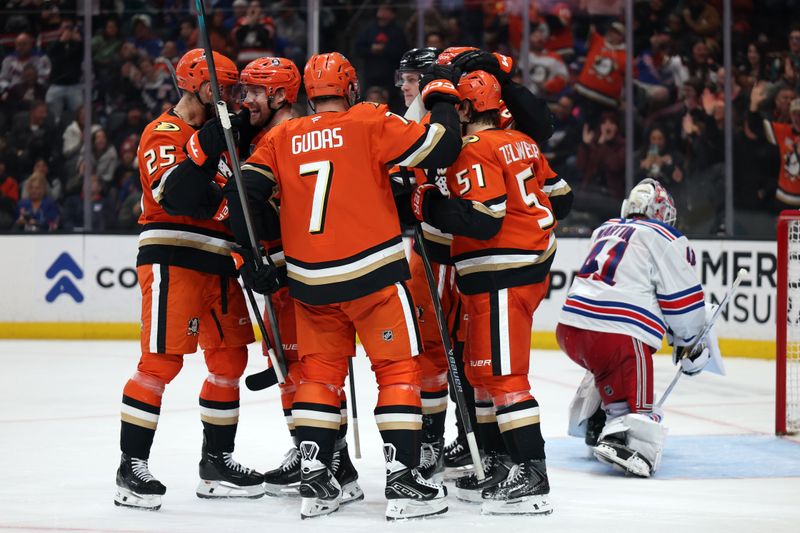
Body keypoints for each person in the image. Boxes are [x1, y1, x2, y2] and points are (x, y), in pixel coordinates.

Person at [226, 51, 462, 520]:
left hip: (311, 282)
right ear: (350, 88)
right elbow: (442, 148)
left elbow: (239, 192)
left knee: (317, 378)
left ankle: (317, 481)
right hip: (373, 274)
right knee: (397, 373)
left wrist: (252, 256)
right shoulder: (369, 120)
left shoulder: (281, 136)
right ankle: (402, 482)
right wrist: (441, 95)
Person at [410, 69, 570, 515]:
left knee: (503, 378)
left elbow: (484, 219)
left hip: (503, 271)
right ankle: (499, 463)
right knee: (483, 375)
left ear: (465, 108)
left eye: (452, 108)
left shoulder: (476, 149)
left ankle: (531, 475)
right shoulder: (521, 141)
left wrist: (431, 204)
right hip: (513, 269)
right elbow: (564, 197)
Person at [113, 48, 264, 511]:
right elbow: (174, 195)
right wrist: (206, 149)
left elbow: (225, 203)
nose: (233, 96)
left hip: (219, 264)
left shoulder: (226, 137)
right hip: (173, 257)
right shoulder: (165, 131)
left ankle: (216, 462)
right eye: (225, 87)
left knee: (229, 361)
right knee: (160, 363)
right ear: (199, 85)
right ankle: (130, 467)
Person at [234, 56, 362, 503]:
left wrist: (258, 252)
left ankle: (328, 461)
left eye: (252, 92)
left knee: (305, 371)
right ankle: (324, 458)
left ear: (279, 95)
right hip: (296, 268)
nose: (244, 100)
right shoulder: (286, 135)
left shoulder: (285, 139)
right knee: (299, 372)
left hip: (294, 271)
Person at [556, 178, 713, 478]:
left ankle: (597, 419)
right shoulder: (664, 237)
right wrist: (691, 341)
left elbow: (634, 291)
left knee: (606, 364)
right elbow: (683, 303)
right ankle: (626, 435)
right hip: (616, 336)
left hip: (570, 329)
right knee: (639, 419)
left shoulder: (605, 228)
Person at [748, 82, 800, 208]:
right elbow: (756, 127)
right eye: (795, 114)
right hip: (784, 199)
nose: (798, 118)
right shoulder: (784, 131)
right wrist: (754, 105)